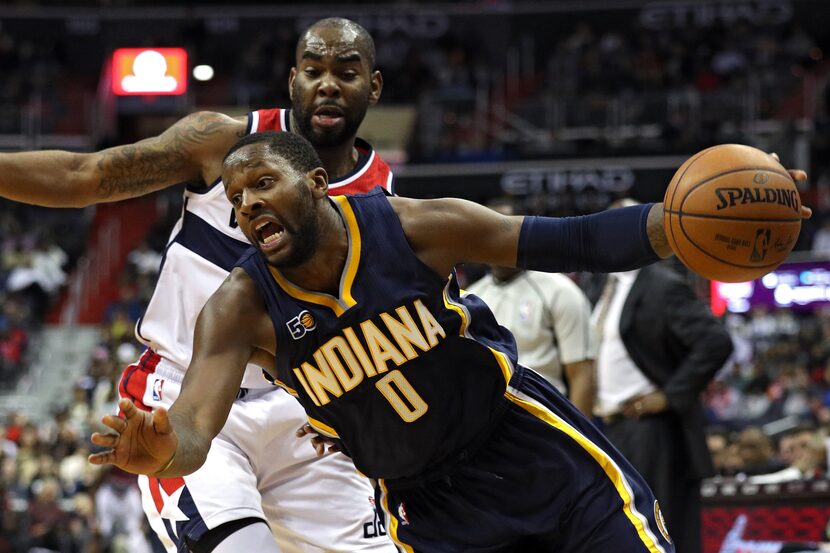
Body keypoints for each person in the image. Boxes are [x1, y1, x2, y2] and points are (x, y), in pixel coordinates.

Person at [87, 131, 806, 552]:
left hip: (526, 447)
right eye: (236, 200)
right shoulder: (238, 309)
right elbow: (192, 428)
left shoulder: (412, 226)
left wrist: (682, 221)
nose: (246, 206)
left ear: (315, 182)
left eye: (262, 184)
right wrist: (162, 448)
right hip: (428, 508)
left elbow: (574, 239)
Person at [0, 17, 395, 553]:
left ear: (373, 86)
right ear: (292, 81)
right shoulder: (223, 140)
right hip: (187, 401)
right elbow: (82, 176)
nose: (327, 84)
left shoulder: (386, 202)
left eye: (346, 73)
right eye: (313, 70)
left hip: (306, 416)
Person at [591, 199, 733, 553]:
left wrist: (669, 395)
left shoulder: (662, 284)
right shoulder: (602, 286)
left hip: (652, 430)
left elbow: (716, 341)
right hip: (608, 426)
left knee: (658, 534)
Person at [466, 197, 595, 415]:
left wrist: (577, 442)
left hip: (544, 416)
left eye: (503, 229)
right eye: (487, 231)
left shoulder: (559, 290)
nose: (495, 239)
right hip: (488, 421)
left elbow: (581, 374)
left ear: (520, 233)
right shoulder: (471, 296)